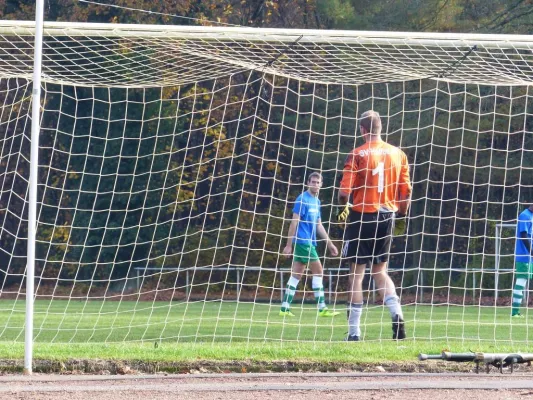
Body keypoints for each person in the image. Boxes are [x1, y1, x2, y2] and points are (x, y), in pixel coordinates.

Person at [337, 110, 412, 341]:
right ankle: (397, 314)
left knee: (357, 275)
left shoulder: (357, 153)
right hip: (387, 216)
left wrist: (344, 206)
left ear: (362, 130)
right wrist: (401, 215)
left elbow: (343, 193)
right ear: (381, 128)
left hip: (362, 215)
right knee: (380, 271)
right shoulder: (398, 154)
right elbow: (406, 191)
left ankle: (354, 333)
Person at [280, 172, 340, 317]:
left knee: (296, 275)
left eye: (317, 182)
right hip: (303, 241)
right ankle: (322, 308)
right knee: (318, 271)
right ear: (308, 183)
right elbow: (294, 222)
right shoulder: (302, 199)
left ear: (321, 184)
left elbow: (318, 225)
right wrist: (289, 245)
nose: (315, 184)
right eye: (312, 182)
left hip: (309, 242)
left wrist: (330, 243)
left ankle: (284, 308)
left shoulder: (317, 201)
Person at [511, 204, 533, 317]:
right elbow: (523, 235)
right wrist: (531, 251)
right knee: (521, 281)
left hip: (529, 256)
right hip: (524, 255)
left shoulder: (531, 216)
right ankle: (515, 312)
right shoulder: (524, 215)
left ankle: (515, 312)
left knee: (522, 281)